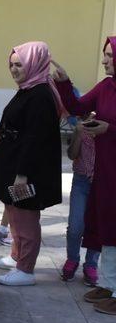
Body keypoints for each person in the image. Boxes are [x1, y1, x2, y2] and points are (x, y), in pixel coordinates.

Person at [0, 41, 63, 287]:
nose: (14, 69)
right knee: (16, 215)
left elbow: (35, 139)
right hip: (14, 164)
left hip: (26, 170)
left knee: (26, 218)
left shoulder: (40, 95)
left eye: (20, 64)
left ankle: (26, 269)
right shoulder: (30, 89)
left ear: (34, 64)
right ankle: (16, 257)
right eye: (12, 64)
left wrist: (23, 174)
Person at [52, 36, 116, 315]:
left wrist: (110, 129)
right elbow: (78, 108)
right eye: (105, 55)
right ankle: (108, 283)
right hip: (104, 172)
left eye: (110, 55)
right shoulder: (106, 86)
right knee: (105, 229)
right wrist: (65, 83)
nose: (104, 60)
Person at [61, 107, 99, 285]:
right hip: (81, 181)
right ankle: (72, 259)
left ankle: (91, 264)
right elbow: (71, 155)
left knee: (96, 225)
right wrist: (78, 133)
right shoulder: (82, 128)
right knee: (76, 225)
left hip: (102, 183)